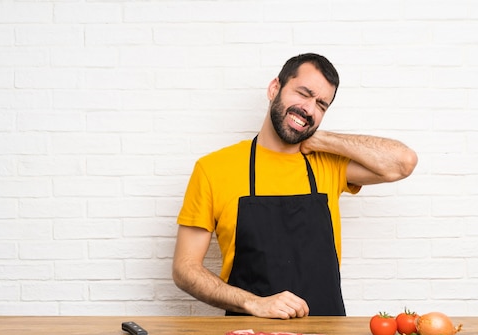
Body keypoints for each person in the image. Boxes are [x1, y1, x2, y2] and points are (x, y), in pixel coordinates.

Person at [172, 53, 418, 319]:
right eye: (303, 93)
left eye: (321, 105)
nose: (309, 109)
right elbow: (185, 269)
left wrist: (321, 139)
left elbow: (403, 162)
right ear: (274, 88)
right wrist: (252, 302)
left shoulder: (328, 164)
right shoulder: (214, 169)